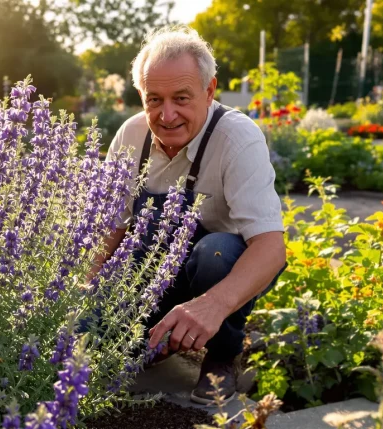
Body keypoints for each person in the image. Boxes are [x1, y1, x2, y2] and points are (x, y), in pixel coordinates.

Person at [87, 25, 287, 405]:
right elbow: (109, 227)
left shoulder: (237, 138)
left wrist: (210, 307)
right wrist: (84, 285)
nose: (167, 114)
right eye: (154, 99)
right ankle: (165, 338)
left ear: (209, 91)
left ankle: (223, 356)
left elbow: (271, 249)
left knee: (216, 252)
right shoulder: (131, 136)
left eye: (181, 97)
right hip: (153, 269)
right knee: (103, 352)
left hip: (218, 272)